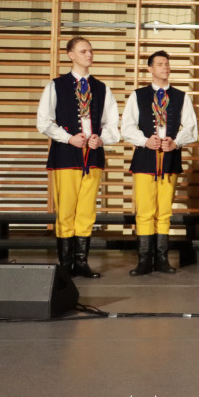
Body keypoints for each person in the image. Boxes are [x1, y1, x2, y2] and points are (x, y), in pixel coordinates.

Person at [36, 36, 120, 278]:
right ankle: (65, 263)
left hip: (92, 156)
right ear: (70, 55)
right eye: (83, 51)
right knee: (66, 211)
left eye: (91, 51)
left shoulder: (101, 88)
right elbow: (44, 122)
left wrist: (101, 138)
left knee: (86, 211)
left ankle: (81, 262)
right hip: (66, 155)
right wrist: (67, 137)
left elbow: (113, 124)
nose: (89, 55)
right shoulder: (56, 85)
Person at [121, 50, 198, 276]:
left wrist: (176, 142)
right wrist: (145, 140)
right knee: (145, 210)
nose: (165, 67)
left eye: (167, 64)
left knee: (164, 210)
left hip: (170, 158)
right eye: (160, 64)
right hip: (145, 158)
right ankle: (144, 259)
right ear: (150, 69)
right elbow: (127, 128)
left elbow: (191, 128)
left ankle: (162, 258)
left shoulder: (181, 96)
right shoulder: (138, 96)